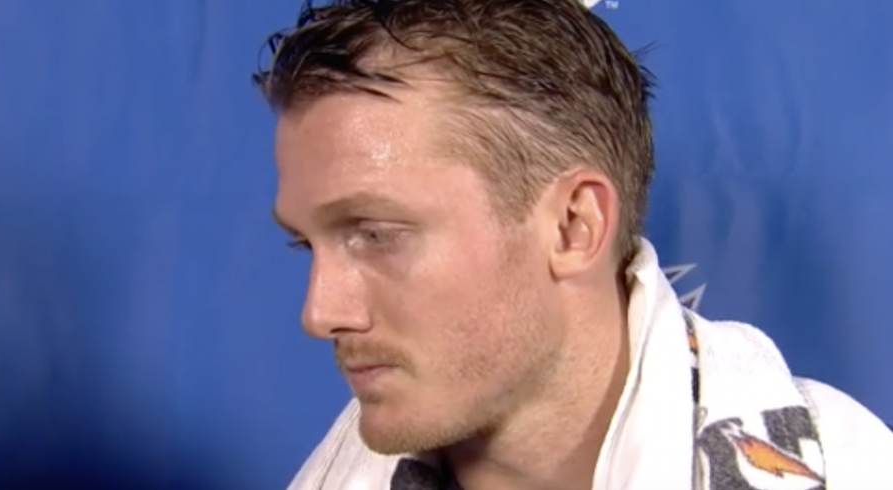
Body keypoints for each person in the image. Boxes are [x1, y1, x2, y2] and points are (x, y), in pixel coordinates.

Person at [253, 1, 893, 489]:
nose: (320, 312)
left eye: (376, 235)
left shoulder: (854, 470)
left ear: (574, 226)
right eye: (307, 245)